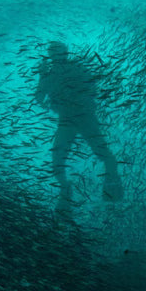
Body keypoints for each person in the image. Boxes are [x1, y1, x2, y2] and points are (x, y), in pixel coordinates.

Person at [34, 41, 123, 207]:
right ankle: (65, 190)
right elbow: (39, 98)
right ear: (51, 55)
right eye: (54, 53)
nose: (57, 56)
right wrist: (42, 76)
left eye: (59, 52)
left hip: (85, 118)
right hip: (67, 121)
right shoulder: (49, 74)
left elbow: (92, 89)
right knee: (57, 160)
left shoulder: (77, 68)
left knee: (103, 153)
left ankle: (113, 189)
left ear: (65, 53)